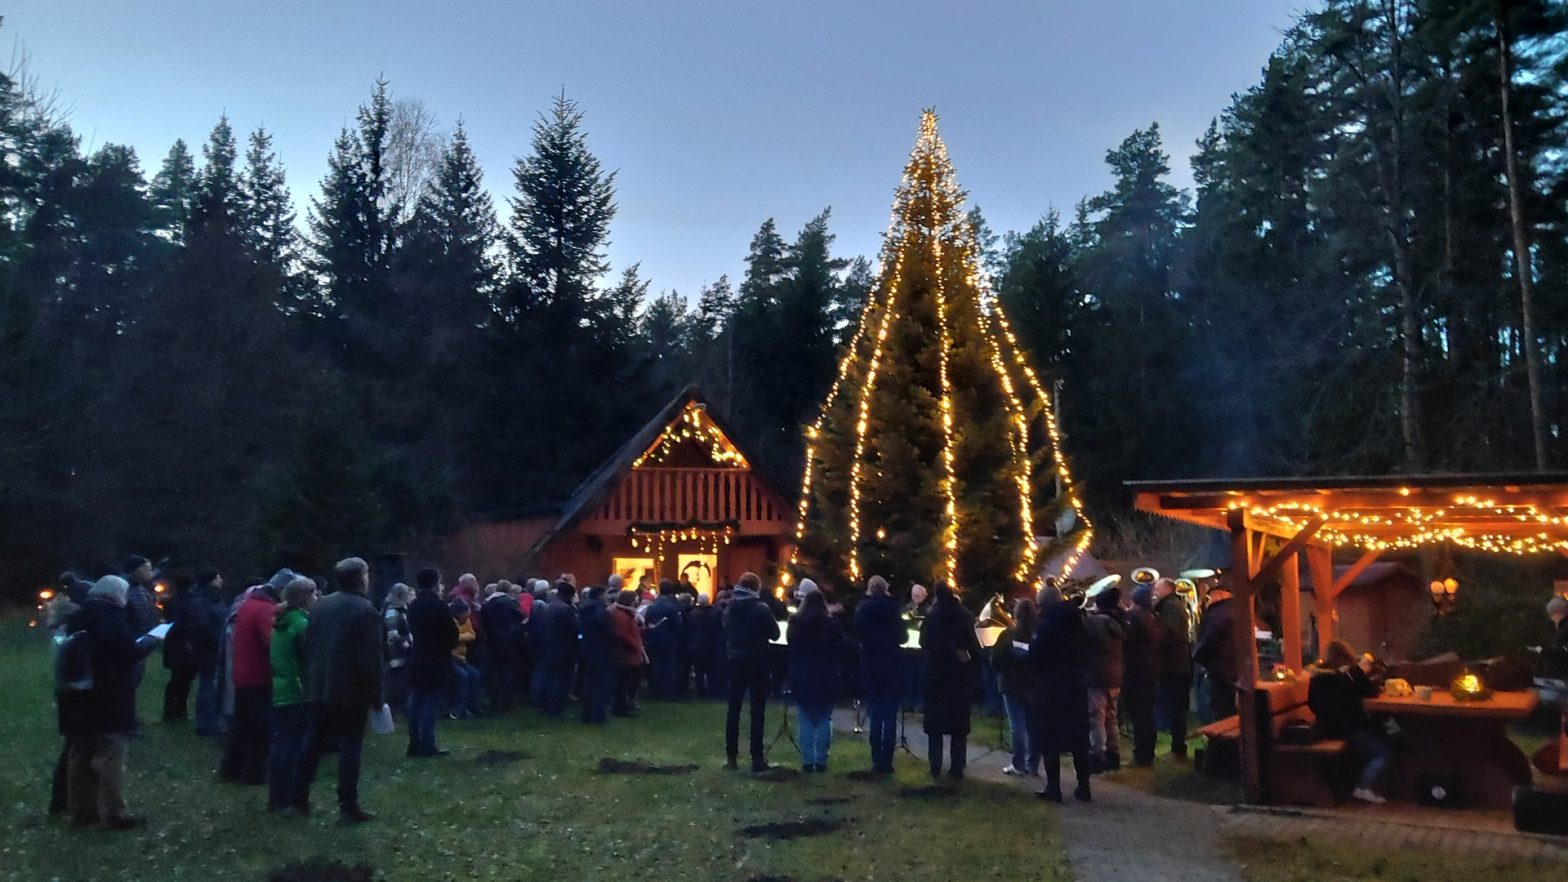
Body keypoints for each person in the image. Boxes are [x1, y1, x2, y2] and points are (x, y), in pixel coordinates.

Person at [59, 576, 164, 829]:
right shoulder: (113, 619)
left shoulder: (77, 616)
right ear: (117, 594)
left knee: (79, 753)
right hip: (108, 695)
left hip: (76, 695)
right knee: (110, 754)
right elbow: (128, 652)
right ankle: (113, 812)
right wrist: (152, 640)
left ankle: (82, 810)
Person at [297, 558, 384, 822]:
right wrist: (376, 695)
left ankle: (298, 797)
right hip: (350, 689)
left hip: (320, 684)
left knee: (313, 742)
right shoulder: (365, 610)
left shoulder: (322, 605)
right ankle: (348, 804)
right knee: (350, 745)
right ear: (362, 578)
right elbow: (370, 659)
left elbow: (309, 644)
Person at [221, 568, 292, 784]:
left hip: (242, 672)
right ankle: (255, 773)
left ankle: (231, 769)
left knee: (241, 725)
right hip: (259, 675)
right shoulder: (266, 610)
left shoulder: (248, 603)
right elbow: (271, 642)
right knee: (261, 729)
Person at [1308, 639, 1390, 804]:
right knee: (1384, 750)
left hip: (1327, 729)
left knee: (1384, 731)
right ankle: (1363, 786)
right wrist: (1359, 671)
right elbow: (1371, 692)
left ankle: (1358, 785)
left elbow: (1313, 704)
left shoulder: (1318, 678)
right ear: (1346, 657)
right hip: (1349, 730)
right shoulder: (1345, 678)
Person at [1031, 584, 1092, 802]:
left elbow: (1037, 655)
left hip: (1051, 689)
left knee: (1050, 738)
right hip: (1076, 686)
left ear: (1044, 605)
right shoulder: (1079, 622)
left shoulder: (1046, 626)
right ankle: (1084, 787)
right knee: (1079, 740)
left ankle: (1053, 787)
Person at [919, 580, 980, 781]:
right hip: (958, 676)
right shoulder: (965, 615)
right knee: (959, 725)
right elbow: (974, 646)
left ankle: (935, 766)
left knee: (934, 727)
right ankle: (957, 767)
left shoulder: (931, 616)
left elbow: (922, 642)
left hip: (935, 675)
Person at [266, 577, 316, 813]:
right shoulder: (302, 625)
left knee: (281, 745)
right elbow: (311, 659)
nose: (316, 598)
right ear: (304, 598)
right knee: (295, 748)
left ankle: (276, 796)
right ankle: (291, 797)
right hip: (299, 691)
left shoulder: (281, 622)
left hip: (281, 688)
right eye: (313, 594)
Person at [724, 572, 780, 772]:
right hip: (758, 660)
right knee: (757, 710)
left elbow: (726, 631)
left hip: (735, 659)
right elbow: (775, 634)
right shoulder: (761, 609)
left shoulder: (729, 608)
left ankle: (731, 756)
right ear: (756, 588)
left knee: (734, 709)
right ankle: (757, 758)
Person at [788, 587, 843, 772]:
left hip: (802, 674)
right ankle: (821, 760)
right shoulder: (831, 625)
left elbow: (791, 645)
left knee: (805, 719)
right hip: (826, 675)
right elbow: (840, 647)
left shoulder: (796, 623)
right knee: (824, 718)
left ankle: (807, 760)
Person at [164, 570, 225, 732]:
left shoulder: (208, 599)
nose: (221, 580)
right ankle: (198, 719)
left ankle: (184, 713)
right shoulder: (199, 601)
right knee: (201, 683)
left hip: (203, 645)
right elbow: (201, 625)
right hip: (200, 646)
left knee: (193, 681)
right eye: (217, 577)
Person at [854, 575, 904, 775]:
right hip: (891, 664)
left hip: (871, 664)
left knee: (875, 713)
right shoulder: (893, 609)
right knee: (890, 715)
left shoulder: (862, 609)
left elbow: (857, 632)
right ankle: (887, 761)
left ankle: (876, 759)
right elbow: (903, 636)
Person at [406, 567, 456, 757]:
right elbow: (451, 632)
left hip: (418, 656)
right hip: (436, 658)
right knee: (430, 702)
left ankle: (414, 742)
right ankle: (428, 743)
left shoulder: (414, 605)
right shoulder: (439, 606)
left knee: (416, 701)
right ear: (435, 583)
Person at [992, 597, 1040, 777]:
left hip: (1011, 685)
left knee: (1017, 725)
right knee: (1033, 726)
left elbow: (995, 659)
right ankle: (1033, 764)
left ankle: (1018, 764)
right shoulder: (1038, 636)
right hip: (1034, 686)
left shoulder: (1007, 635)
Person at [1083, 583, 1126, 772]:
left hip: (1097, 676)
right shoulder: (1118, 622)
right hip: (1115, 676)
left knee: (1096, 719)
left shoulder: (1095, 623)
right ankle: (1113, 756)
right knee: (1111, 717)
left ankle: (1097, 758)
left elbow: (1082, 641)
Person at [1152, 577, 1193, 760]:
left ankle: (1178, 748)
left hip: (1172, 665)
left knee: (1174, 708)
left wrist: (1155, 639)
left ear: (1168, 589)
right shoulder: (1174, 605)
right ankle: (1178, 746)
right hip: (1177, 664)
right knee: (1175, 708)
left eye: (1157, 588)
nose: (1155, 591)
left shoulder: (1169, 607)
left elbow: (1169, 634)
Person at [121, 556, 161, 733]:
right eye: (147, 568)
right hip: (130, 643)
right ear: (136, 570)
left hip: (143, 642)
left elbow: (149, 613)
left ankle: (130, 717)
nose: (150, 572)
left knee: (133, 683)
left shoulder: (142, 589)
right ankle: (125, 722)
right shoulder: (124, 589)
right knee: (126, 684)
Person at [1123, 584, 1162, 768]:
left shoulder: (1134, 617)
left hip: (1136, 671)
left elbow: (1126, 641)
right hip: (1151, 669)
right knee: (1147, 713)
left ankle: (1141, 755)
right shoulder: (1153, 617)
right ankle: (1149, 751)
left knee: (1138, 715)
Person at [1192, 585, 1239, 720]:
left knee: (1219, 708)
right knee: (1229, 707)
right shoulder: (1236, 609)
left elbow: (1209, 638)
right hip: (1232, 666)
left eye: (1210, 596)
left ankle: (1220, 732)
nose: (1209, 600)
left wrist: (1196, 655)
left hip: (1219, 667)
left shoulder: (1218, 612)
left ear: (1219, 594)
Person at [478, 581, 524, 712]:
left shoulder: (487, 604)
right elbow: (519, 619)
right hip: (509, 643)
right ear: (508, 590)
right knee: (508, 672)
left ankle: (493, 700)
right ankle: (506, 702)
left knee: (494, 672)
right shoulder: (512, 603)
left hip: (492, 642)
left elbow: (483, 622)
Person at [540, 580, 580, 717]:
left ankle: (548, 706)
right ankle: (557, 709)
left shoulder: (550, 606)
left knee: (551, 678)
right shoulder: (566, 609)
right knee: (562, 680)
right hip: (565, 649)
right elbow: (575, 628)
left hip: (551, 647)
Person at [578, 586, 616, 724]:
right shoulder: (600, 611)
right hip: (602, 651)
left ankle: (587, 713)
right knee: (603, 684)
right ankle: (598, 715)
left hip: (588, 649)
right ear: (600, 595)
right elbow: (608, 631)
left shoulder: (585, 609)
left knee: (589, 682)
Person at [644, 580, 684, 700]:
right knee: (669, 667)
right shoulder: (672, 607)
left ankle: (656, 691)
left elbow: (647, 621)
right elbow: (678, 624)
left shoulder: (652, 605)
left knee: (657, 666)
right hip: (669, 640)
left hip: (654, 639)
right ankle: (668, 693)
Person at [611, 589, 647, 716]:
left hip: (630, 653)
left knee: (628, 681)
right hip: (626, 654)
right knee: (624, 682)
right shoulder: (622, 615)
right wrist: (634, 645)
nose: (636, 602)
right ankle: (621, 708)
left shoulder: (626, 614)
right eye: (634, 599)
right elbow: (622, 634)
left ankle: (625, 705)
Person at [382, 583, 413, 717]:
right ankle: (390, 711)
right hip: (395, 654)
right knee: (394, 684)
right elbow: (393, 634)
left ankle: (399, 709)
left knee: (402, 683)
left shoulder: (400, 610)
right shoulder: (392, 612)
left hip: (401, 654)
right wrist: (406, 643)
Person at [448, 601, 482, 719]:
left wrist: (459, 637)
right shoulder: (450, 623)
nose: (469, 614)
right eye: (466, 612)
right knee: (463, 676)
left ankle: (473, 705)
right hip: (451, 658)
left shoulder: (467, 621)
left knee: (475, 674)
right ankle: (459, 709)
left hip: (462, 658)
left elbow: (472, 635)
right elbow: (450, 639)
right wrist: (462, 636)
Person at [686, 594, 720, 699]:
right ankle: (712, 690)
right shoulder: (715, 613)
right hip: (711, 645)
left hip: (697, 645)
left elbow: (689, 629)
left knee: (699, 670)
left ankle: (701, 691)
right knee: (711, 669)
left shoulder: (693, 614)